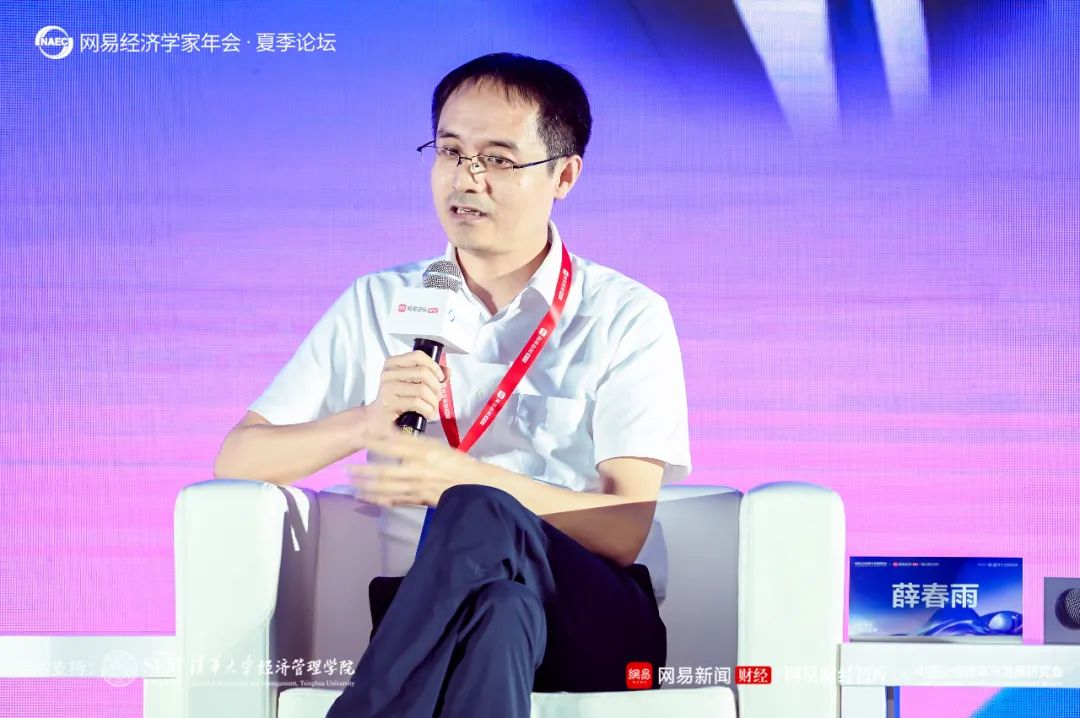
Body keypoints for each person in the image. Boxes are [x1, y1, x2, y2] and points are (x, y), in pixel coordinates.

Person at [214, 52, 692, 718]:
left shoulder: (624, 313)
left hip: (593, 614)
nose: (467, 178)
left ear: (563, 175)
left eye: (497, 158)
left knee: (477, 506)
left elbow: (623, 529)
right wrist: (366, 422)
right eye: (450, 152)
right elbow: (240, 458)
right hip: (431, 610)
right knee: (499, 612)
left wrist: (457, 478)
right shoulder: (379, 301)